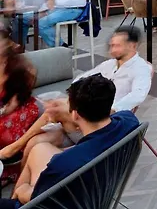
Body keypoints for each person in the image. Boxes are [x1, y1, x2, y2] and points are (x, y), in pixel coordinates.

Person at [0, 26, 151, 165]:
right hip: (85, 113)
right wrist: (75, 98)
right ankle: (19, 176)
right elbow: (81, 78)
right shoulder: (109, 65)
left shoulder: (140, 68)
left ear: (132, 46)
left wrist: (112, 109)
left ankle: (15, 147)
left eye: (117, 46)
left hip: (105, 120)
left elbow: (138, 94)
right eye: (111, 45)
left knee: (54, 109)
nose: (112, 50)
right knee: (35, 142)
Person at [2, 75, 139, 206]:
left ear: (74, 115)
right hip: (98, 185)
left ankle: (15, 204)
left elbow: (39, 200)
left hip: (67, 201)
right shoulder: (129, 120)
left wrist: (22, 189)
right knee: (38, 149)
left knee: (17, 194)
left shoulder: (63, 163)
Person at [0, 35, 41, 184]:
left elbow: (16, 101)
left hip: (19, 108)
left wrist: (5, 110)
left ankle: (10, 170)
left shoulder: (18, 65)